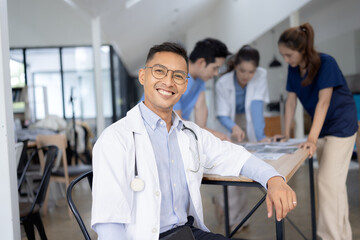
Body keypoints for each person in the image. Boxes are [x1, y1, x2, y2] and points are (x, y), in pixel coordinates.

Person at [91, 42, 297, 240]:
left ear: (184, 86)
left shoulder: (190, 133)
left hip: (187, 233)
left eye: (178, 76)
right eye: (160, 71)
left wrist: (274, 179)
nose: (169, 82)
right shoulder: (115, 139)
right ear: (143, 76)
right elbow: (109, 224)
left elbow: (236, 156)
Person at [277, 22, 358, 240]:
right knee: (334, 186)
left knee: (327, 182)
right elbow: (291, 103)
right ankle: (342, 236)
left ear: (302, 50)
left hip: (342, 125)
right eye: (282, 55)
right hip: (322, 128)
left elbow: (324, 102)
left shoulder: (326, 63)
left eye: (289, 55)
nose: (286, 60)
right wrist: (286, 133)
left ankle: (329, 237)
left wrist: (311, 139)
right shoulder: (293, 69)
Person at [213, 45, 270, 229]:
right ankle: (232, 218)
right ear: (235, 66)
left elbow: (256, 107)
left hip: (250, 122)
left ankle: (237, 217)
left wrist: (260, 136)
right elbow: (221, 114)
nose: (246, 76)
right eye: (242, 70)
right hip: (229, 124)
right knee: (232, 171)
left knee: (247, 171)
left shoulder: (261, 75)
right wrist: (233, 127)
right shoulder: (223, 82)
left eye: (251, 72)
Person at [173, 38, 231, 141]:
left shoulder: (200, 81)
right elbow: (176, 122)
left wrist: (215, 136)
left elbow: (201, 124)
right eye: (215, 68)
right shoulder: (175, 77)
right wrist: (212, 134)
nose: (216, 73)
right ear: (201, 62)